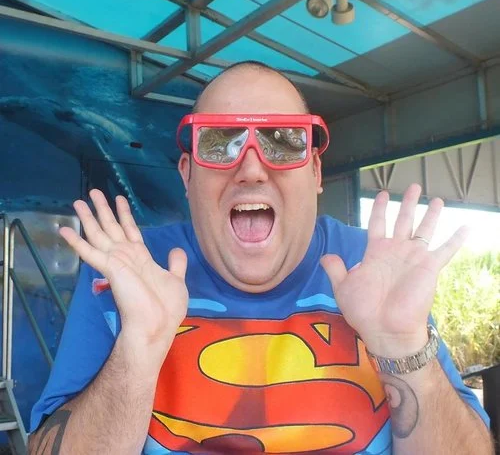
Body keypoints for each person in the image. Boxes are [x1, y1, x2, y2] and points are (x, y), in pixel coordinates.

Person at [28, 61, 493, 454]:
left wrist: (403, 348)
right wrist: (138, 349)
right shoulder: (130, 271)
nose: (251, 169)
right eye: (218, 142)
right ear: (187, 175)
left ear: (315, 172)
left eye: (284, 141)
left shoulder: (372, 266)